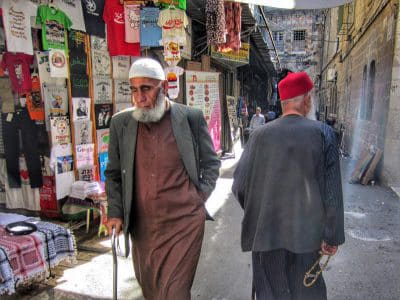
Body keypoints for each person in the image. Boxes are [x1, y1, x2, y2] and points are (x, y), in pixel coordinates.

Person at [105, 58, 220, 299]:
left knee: (175, 291)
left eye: (146, 88)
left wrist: (199, 196)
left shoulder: (190, 118)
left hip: (184, 223)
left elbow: (211, 163)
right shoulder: (121, 123)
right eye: (134, 90)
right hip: (143, 228)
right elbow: (114, 174)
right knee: (152, 291)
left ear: (164, 88)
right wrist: (115, 213)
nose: (139, 97)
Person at [232, 71, 345, 300]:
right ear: (306, 100)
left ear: (283, 103)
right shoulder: (323, 133)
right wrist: (332, 237)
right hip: (307, 239)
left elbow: (239, 186)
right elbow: (332, 192)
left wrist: (262, 213)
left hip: (265, 240)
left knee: (271, 294)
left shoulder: (258, 136)